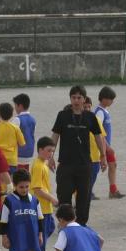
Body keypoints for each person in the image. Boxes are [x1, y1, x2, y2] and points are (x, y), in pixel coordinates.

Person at [49, 86, 107, 225]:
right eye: (73, 97)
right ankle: (65, 223)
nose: (76, 100)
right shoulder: (62, 115)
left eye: (79, 98)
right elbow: (55, 136)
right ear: (70, 98)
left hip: (84, 164)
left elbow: (98, 137)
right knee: (64, 196)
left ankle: (81, 224)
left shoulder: (90, 117)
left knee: (84, 197)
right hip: (66, 164)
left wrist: (103, 155)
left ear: (84, 99)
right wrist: (50, 156)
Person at [0, 169, 44, 251]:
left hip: (32, 234)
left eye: (26, 186)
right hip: (17, 235)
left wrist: (40, 234)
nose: (24, 189)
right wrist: (4, 237)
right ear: (14, 185)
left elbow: (40, 219)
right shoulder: (9, 201)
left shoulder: (35, 200)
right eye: (21, 187)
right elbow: (3, 221)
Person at [30, 136, 59, 251]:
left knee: (50, 227)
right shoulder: (38, 166)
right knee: (43, 231)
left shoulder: (43, 164)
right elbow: (37, 189)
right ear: (40, 150)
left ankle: (34, 250)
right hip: (41, 206)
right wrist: (52, 198)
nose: (51, 153)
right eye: (48, 150)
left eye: (52, 151)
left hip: (45, 206)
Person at [94, 86, 125, 198]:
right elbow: (97, 132)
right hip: (101, 146)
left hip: (106, 145)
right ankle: (88, 191)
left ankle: (113, 190)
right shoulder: (99, 113)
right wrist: (107, 147)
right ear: (104, 99)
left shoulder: (104, 111)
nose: (112, 101)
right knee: (95, 169)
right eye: (111, 99)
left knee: (113, 165)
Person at [83, 96, 107, 200]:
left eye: (89, 107)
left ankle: (88, 193)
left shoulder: (95, 119)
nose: (87, 109)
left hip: (95, 156)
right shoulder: (77, 120)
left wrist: (103, 156)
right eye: (85, 107)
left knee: (93, 177)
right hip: (83, 157)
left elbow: (102, 138)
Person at [0, 102, 26, 173]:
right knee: (11, 179)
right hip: (12, 160)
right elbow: (22, 143)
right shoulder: (15, 128)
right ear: (12, 114)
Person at [12, 93, 36, 170]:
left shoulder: (17, 119)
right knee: (25, 174)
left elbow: (11, 136)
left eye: (15, 105)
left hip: (19, 154)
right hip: (29, 153)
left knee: (17, 175)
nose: (15, 108)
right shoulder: (33, 119)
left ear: (20, 106)